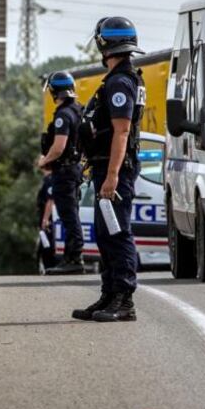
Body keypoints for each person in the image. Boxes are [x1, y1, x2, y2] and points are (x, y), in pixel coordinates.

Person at [71, 17, 146, 322]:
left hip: (115, 169)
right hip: (107, 167)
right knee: (105, 234)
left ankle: (124, 300)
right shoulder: (120, 78)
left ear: (105, 44)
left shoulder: (119, 82)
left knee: (117, 233)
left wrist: (113, 176)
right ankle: (109, 295)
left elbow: (122, 131)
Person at [38, 71, 84, 275]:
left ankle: (74, 258)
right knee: (72, 214)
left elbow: (59, 146)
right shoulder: (77, 110)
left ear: (53, 91)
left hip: (64, 171)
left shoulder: (63, 115)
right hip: (74, 168)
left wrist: (44, 160)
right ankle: (71, 256)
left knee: (68, 215)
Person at [35, 165, 58, 274]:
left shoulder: (50, 179)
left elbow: (50, 201)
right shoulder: (47, 179)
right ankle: (47, 267)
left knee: (47, 245)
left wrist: (45, 219)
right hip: (45, 216)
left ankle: (50, 267)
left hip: (48, 218)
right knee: (44, 245)